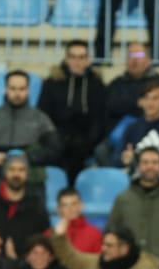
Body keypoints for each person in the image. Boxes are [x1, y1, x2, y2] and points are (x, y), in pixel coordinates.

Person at [0, 71, 62, 192]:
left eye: (22, 88)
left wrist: (30, 157)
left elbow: (55, 149)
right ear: (6, 89)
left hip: (32, 181)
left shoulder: (40, 118)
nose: (17, 93)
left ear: (28, 90)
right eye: (13, 88)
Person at [39, 41, 108, 184]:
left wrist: (90, 141)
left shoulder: (96, 85)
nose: (77, 62)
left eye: (82, 57)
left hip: (85, 139)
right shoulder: (52, 83)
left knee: (78, 150)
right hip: (57, 136)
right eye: (73, 57)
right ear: (66, 59)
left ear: (88, 60)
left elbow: (100, 118)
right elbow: (43, 115)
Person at [112, 76, 159, 191]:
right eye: (146, 98)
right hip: (139, 176)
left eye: (155, 98)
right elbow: (117, 158)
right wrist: (125, 159)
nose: (150, 103)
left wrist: (152, 162)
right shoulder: (132, 127)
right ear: (140, 102)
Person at [0, 153, 51, 252]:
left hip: (26, 264)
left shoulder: (36, 204)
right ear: (5, 172)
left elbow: (44, 238)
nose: (16, 174)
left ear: (27, 173)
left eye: (21, 170)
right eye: (12, 169)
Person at [105, 43, 159, 125]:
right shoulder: (117, 83)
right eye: (131, 55)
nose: (134, 59)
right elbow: (110, 106)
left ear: (148, 60)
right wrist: (136, 103)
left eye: (139, 55)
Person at [48, 188, 102, 255]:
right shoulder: (49, 234)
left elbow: (99, 262)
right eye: (65, 205)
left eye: (74, 204)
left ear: (81, 205)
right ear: (58, 209)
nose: (70, 209)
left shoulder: (95, 233)